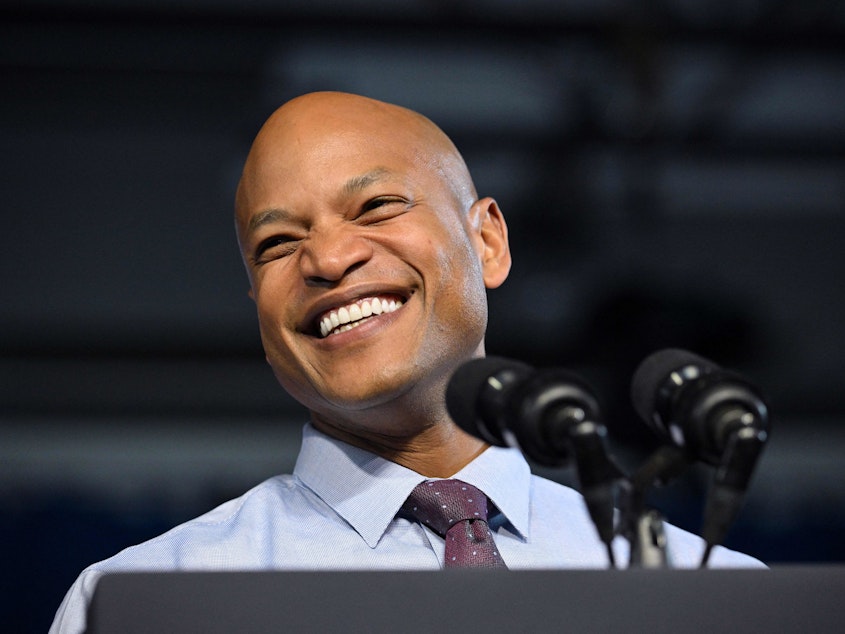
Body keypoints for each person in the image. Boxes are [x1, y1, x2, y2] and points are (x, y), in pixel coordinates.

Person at [50, 91, 762, 633]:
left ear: (486, 241)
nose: (327, 259)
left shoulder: (717, 596)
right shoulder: (144, 600)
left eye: (377, 205)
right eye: (275, 245)